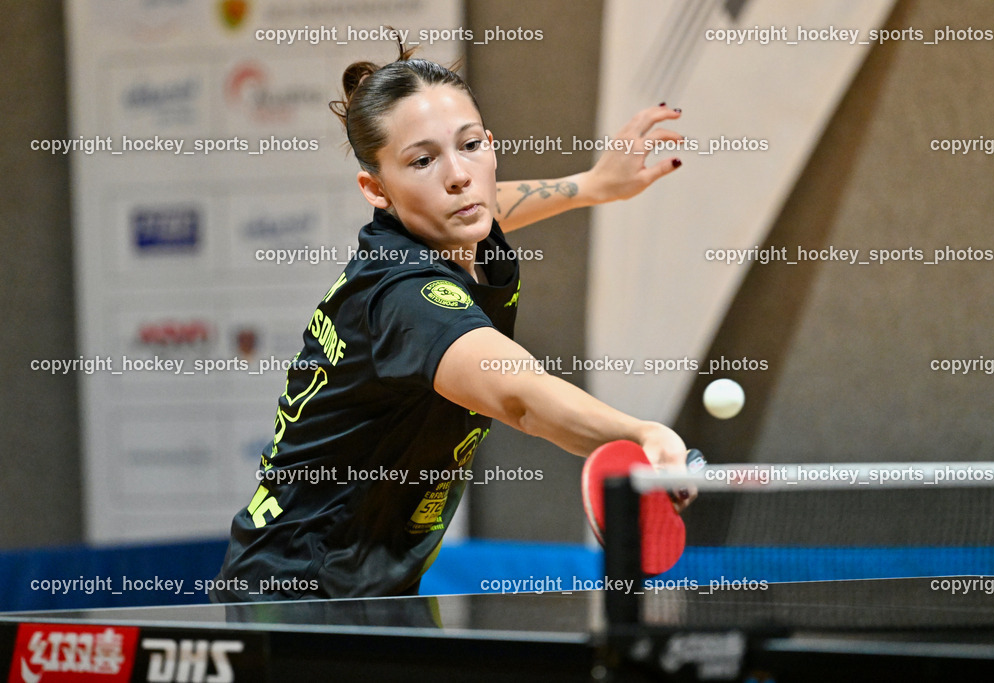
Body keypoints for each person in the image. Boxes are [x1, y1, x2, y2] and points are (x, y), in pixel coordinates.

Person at [211, 46, 689, 601]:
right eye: (422, 161)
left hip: (384, 582)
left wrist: (592, 185)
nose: (459, 176)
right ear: (376, 191)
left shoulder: (458, 221)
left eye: (470, 145)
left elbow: (486, 201)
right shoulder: (405, 297)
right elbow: (522, 397)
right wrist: (642, 435)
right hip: (300, 596)